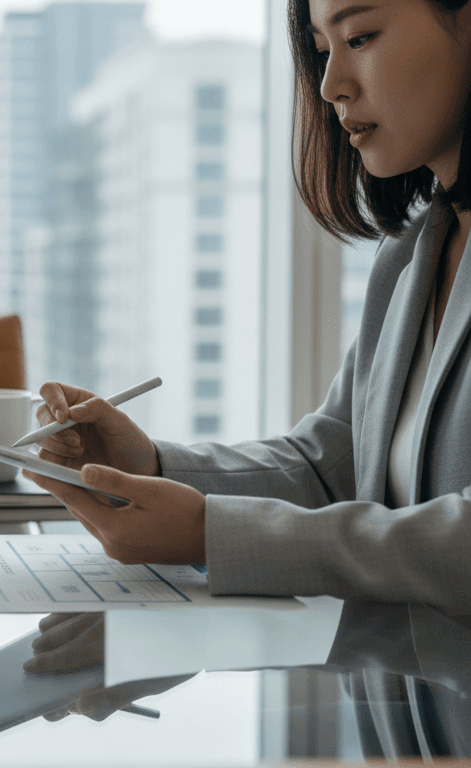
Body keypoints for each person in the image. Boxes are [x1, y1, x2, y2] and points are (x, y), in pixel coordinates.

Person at [24, 0, 471, 608]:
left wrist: (212, 534)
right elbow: (329, 468)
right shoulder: (414, 253)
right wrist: (152, 467)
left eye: (361, 38)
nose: (331, 84)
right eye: (320, 51)